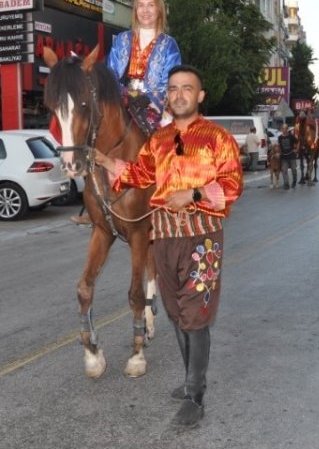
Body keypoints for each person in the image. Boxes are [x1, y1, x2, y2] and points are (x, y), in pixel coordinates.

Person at [94, 65, 243, 428]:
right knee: (176, 311)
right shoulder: (157, 140)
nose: (179, 95)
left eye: (187, 88)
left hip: (202, 238)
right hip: (162, 238)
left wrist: (192, 192)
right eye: (173, 89)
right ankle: (192, 378)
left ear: (200, 95)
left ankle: (196, 394)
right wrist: (106, 162)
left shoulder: (218, 138)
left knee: (196, 314)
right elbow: (140, 174)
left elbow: (233, 184)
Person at [106, 0, 182, 136]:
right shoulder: (122, 39)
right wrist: (125, 94)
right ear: (135, 10)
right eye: (140, 5)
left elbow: (170, 82)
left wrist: (142, 97)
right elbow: (111, 73)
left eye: (150, 5)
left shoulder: (169, 44)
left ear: (159, 9)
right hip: (121, 101)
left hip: (155, 106)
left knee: (169, 142)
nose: (145, 10)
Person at [276, 123, 298, 189]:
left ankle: (294, 181)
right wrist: (278, 153)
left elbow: (298, 141)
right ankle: (286, 184)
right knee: (284, 170)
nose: (284, 130)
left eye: (285, 128)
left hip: (292, 156)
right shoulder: (280, 137)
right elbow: (279, 146)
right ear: (281, 129)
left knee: (294, 169)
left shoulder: (291, 136)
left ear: (287, 129)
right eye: (283, 128)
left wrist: (296, 149)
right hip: (284, 157)